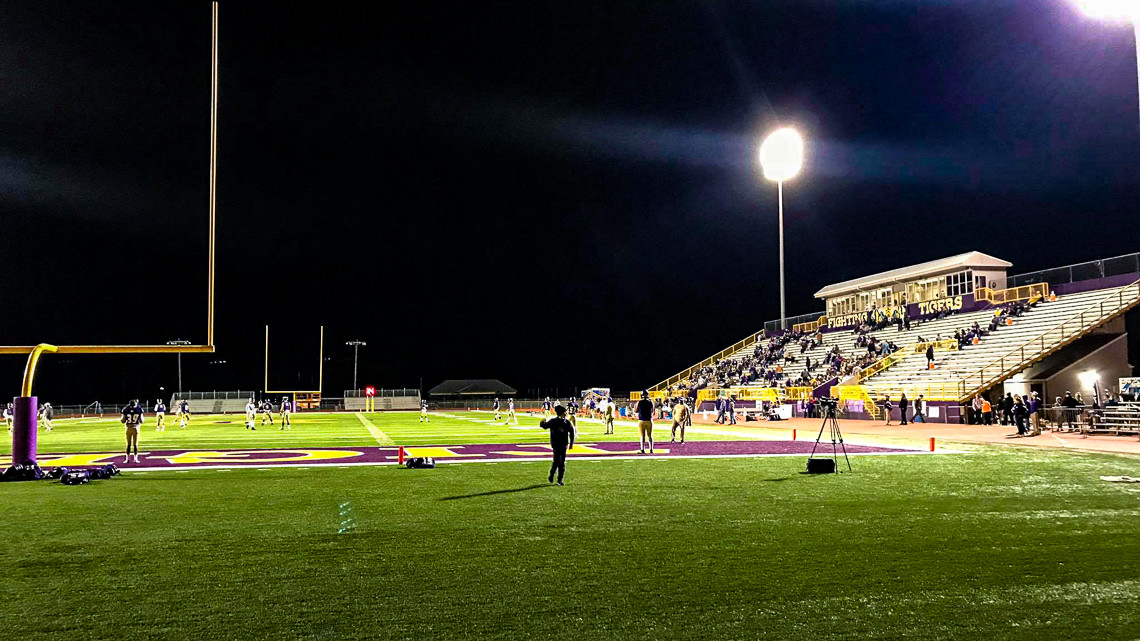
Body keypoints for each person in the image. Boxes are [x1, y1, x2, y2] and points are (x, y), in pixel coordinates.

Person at [540, 404, 575, 486]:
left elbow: (572, 432)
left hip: (561, 444)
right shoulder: (556, 421)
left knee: (560, 461)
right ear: (561, 413)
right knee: (558, 461)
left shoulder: (564, 422)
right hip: (557, 444)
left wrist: (571, 443)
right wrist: (542, 423)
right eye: (564, 412)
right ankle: (554, 476)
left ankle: (558, 479)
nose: (566, 413)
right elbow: (544, 426)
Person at [120, 399, 144, 463]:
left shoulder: (126, 409)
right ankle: (135, 459)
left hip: (128, 428)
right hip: (136, 427)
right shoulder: (139, 409)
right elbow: (141, 420)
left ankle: (127, 459)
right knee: (135, 444)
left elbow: (123, 421)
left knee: (128, 444)